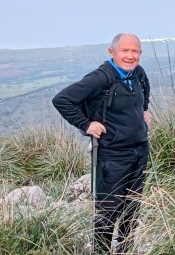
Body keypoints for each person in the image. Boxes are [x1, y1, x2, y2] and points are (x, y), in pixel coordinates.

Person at [52, 33, 151, 253]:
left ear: (140, 54)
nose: (130, 56)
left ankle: (126, 249)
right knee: (108, 211)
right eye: (124, 50)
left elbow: (145, 90)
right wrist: (86, 125)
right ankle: (102, 251)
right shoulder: (100, 78)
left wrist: (144, 110)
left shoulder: (138, 73)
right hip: (112, 156)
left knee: (132, 208)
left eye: (135, 51)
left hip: (140, 152)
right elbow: (62, 100)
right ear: (112, 52)